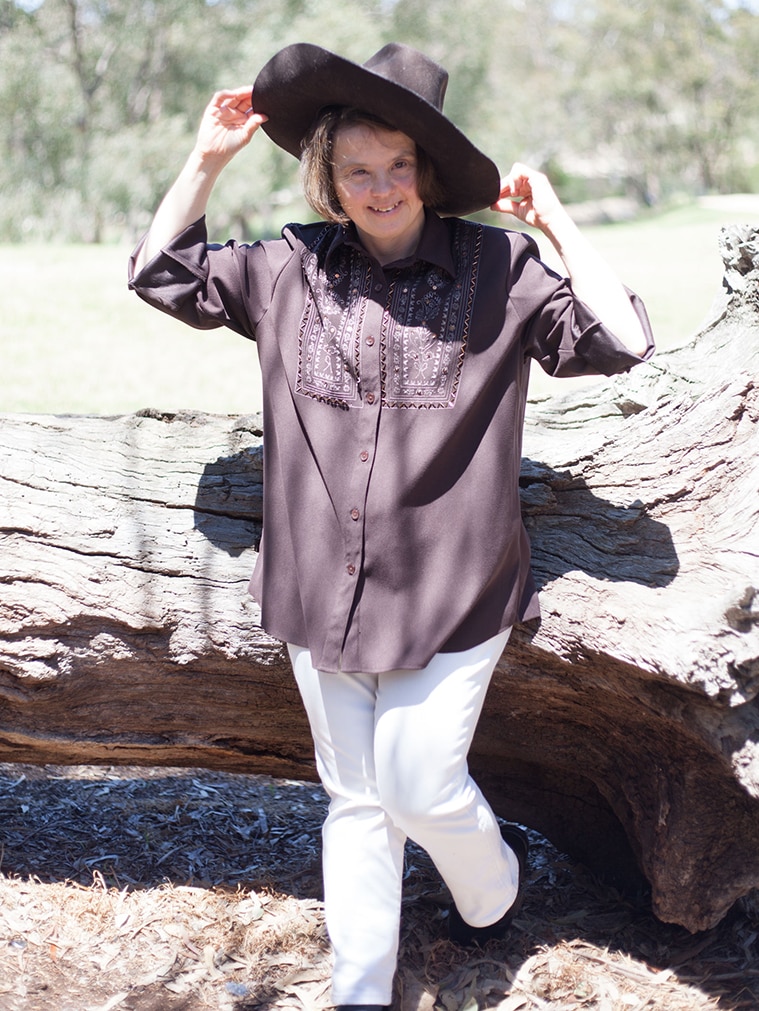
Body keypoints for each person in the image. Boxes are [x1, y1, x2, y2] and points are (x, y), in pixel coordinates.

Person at [129, 42, 654, 1010]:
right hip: (318, 584)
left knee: (417, 786)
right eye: (357, 171)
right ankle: (361, 993)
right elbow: (160, 274)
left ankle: (495, 897)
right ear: (328, 180)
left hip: (457, 589)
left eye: (399, 166)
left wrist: (558, 221)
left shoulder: (501, 267)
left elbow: (622, 338)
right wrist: (206, 159)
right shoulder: (290, 267)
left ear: (430, 173)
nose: (380, 189)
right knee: (358, 801)